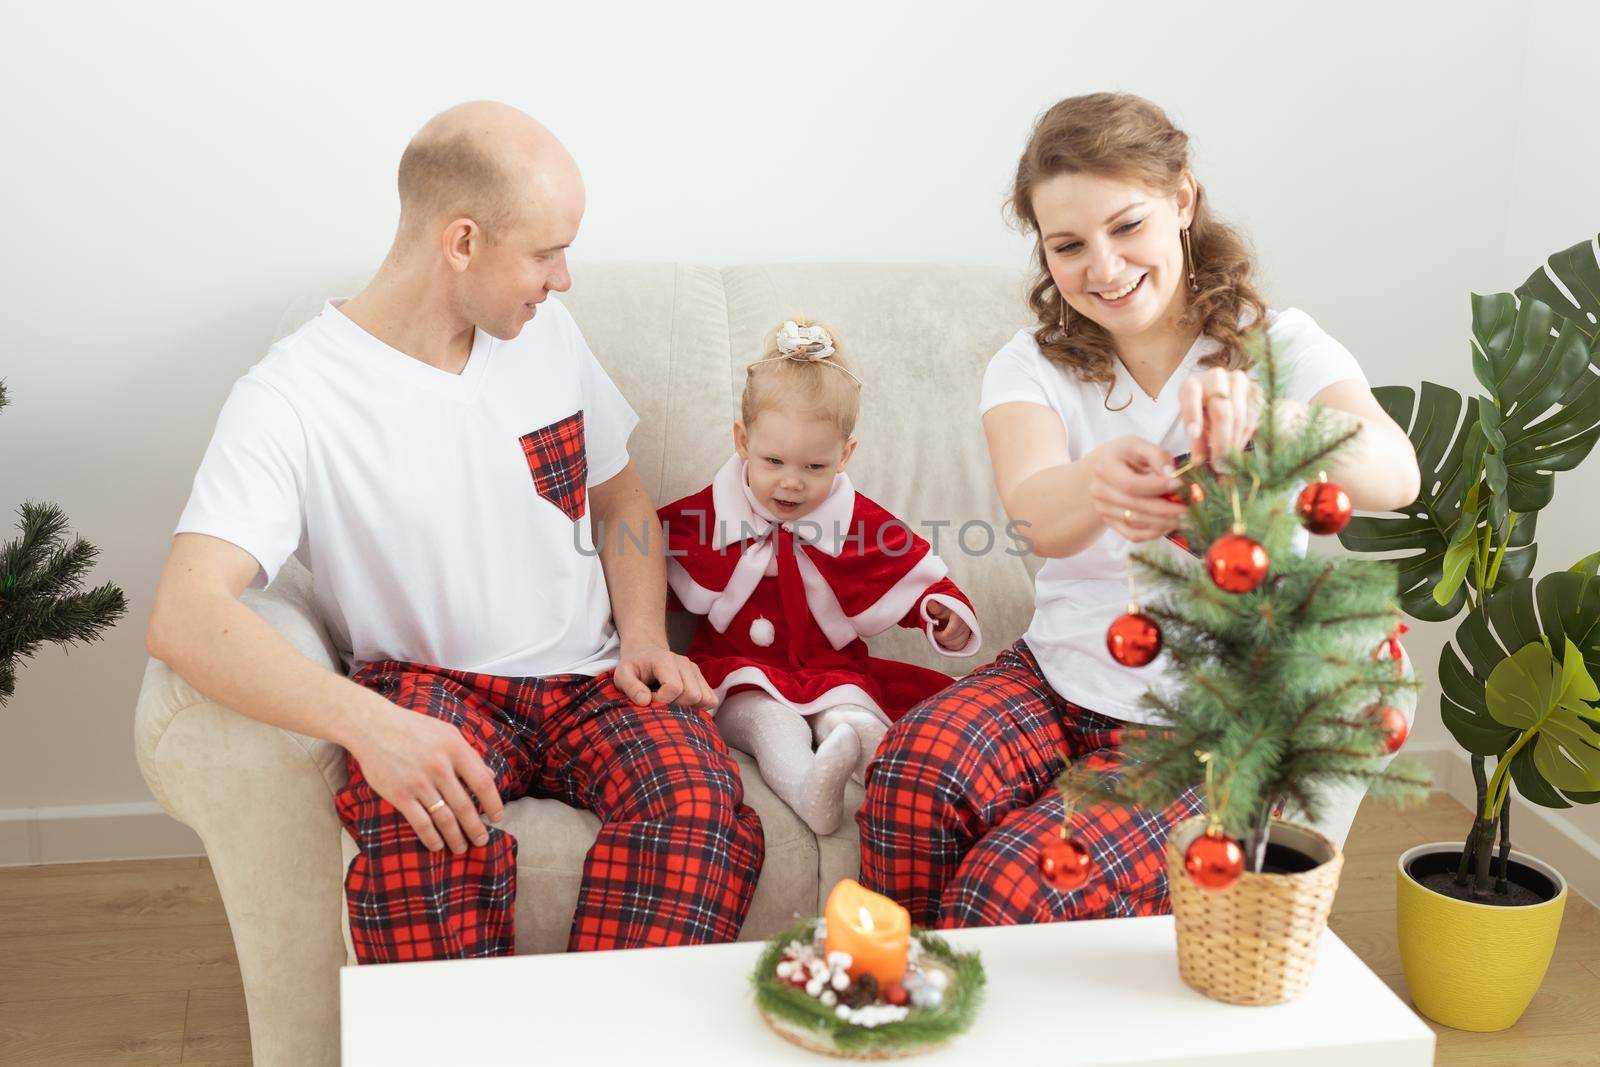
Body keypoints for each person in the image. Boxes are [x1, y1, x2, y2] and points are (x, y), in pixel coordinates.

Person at [146, 101, 764, 962]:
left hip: (590, 680)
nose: (563, 280)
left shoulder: (547, 335)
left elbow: (622, 502)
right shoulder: (292, 395)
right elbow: (184, 613)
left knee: (702, 811)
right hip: (432, 686)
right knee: (418, 834)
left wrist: (647, 636)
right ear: (462, 242)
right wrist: (369, 724)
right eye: (548, 254)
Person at [857, 92, 1422, 928]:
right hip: (1056, 679)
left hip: (1200, 724)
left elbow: (1395, 471)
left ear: (1183, 201)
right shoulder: (1030, 364)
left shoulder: (1284, 346)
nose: (1105, 267)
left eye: (1127, 227)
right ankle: (899, 999)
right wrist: (1094, 482)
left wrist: (1280, 424)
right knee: (912, 773)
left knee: (1010, 888)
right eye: (1069, 245)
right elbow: (1037, 515)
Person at [658, 320, 981, 835]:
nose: (791, 481)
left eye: (814, 466)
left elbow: (912, 574)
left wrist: (942, 613)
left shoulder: (856, 523)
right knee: (771, 723)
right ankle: (809, 791)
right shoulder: (709, 517)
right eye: (773, 461)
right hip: (735, 669)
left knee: (852, 716)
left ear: (844, 456)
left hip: (831, 670)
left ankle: (895, 787)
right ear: (743, 441)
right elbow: (641, 556)